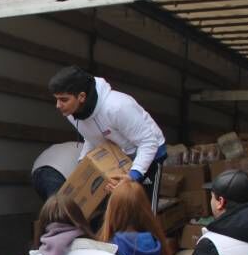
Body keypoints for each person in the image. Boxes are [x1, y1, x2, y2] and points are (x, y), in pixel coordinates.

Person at [48, 65, 167, 204]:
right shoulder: (72, 114)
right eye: (56, 99)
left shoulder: (117, 107)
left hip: (149, 151)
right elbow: (92, 136)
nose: (58, 105)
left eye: (63, 99)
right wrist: (82, 163)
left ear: (81, 96)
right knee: (120, 210)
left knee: (143, 211)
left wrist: (133, 176)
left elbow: (148, 142)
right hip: (120, 157)